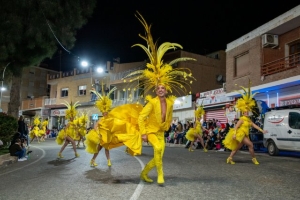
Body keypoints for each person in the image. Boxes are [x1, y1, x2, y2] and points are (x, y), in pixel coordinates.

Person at [124, 12, 196, 185]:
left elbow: (169, 116)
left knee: (159, 154)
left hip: (162, 132)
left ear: (166, 89)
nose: (161, 90)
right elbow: (142, 117)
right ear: (156, 91)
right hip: (151, 132)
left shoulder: (170, 101)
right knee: (157, 149)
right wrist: (143, 133)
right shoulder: (152, 102)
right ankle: (160, 176)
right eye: (159, 88)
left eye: (163, 88)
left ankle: (144, 173)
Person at [223, 81, 268, 165]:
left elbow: (254, 125)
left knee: (237, 148)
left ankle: (230, 158)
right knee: (250, 145)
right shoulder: (242, 119)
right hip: (241, 134)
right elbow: (236, 127)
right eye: (245, 112)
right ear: (243, 113)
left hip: (245, 135)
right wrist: (234, 134)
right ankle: (254, 159)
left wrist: (262, 131)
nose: (246, 112)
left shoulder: (248, 119)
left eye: (247, 111)